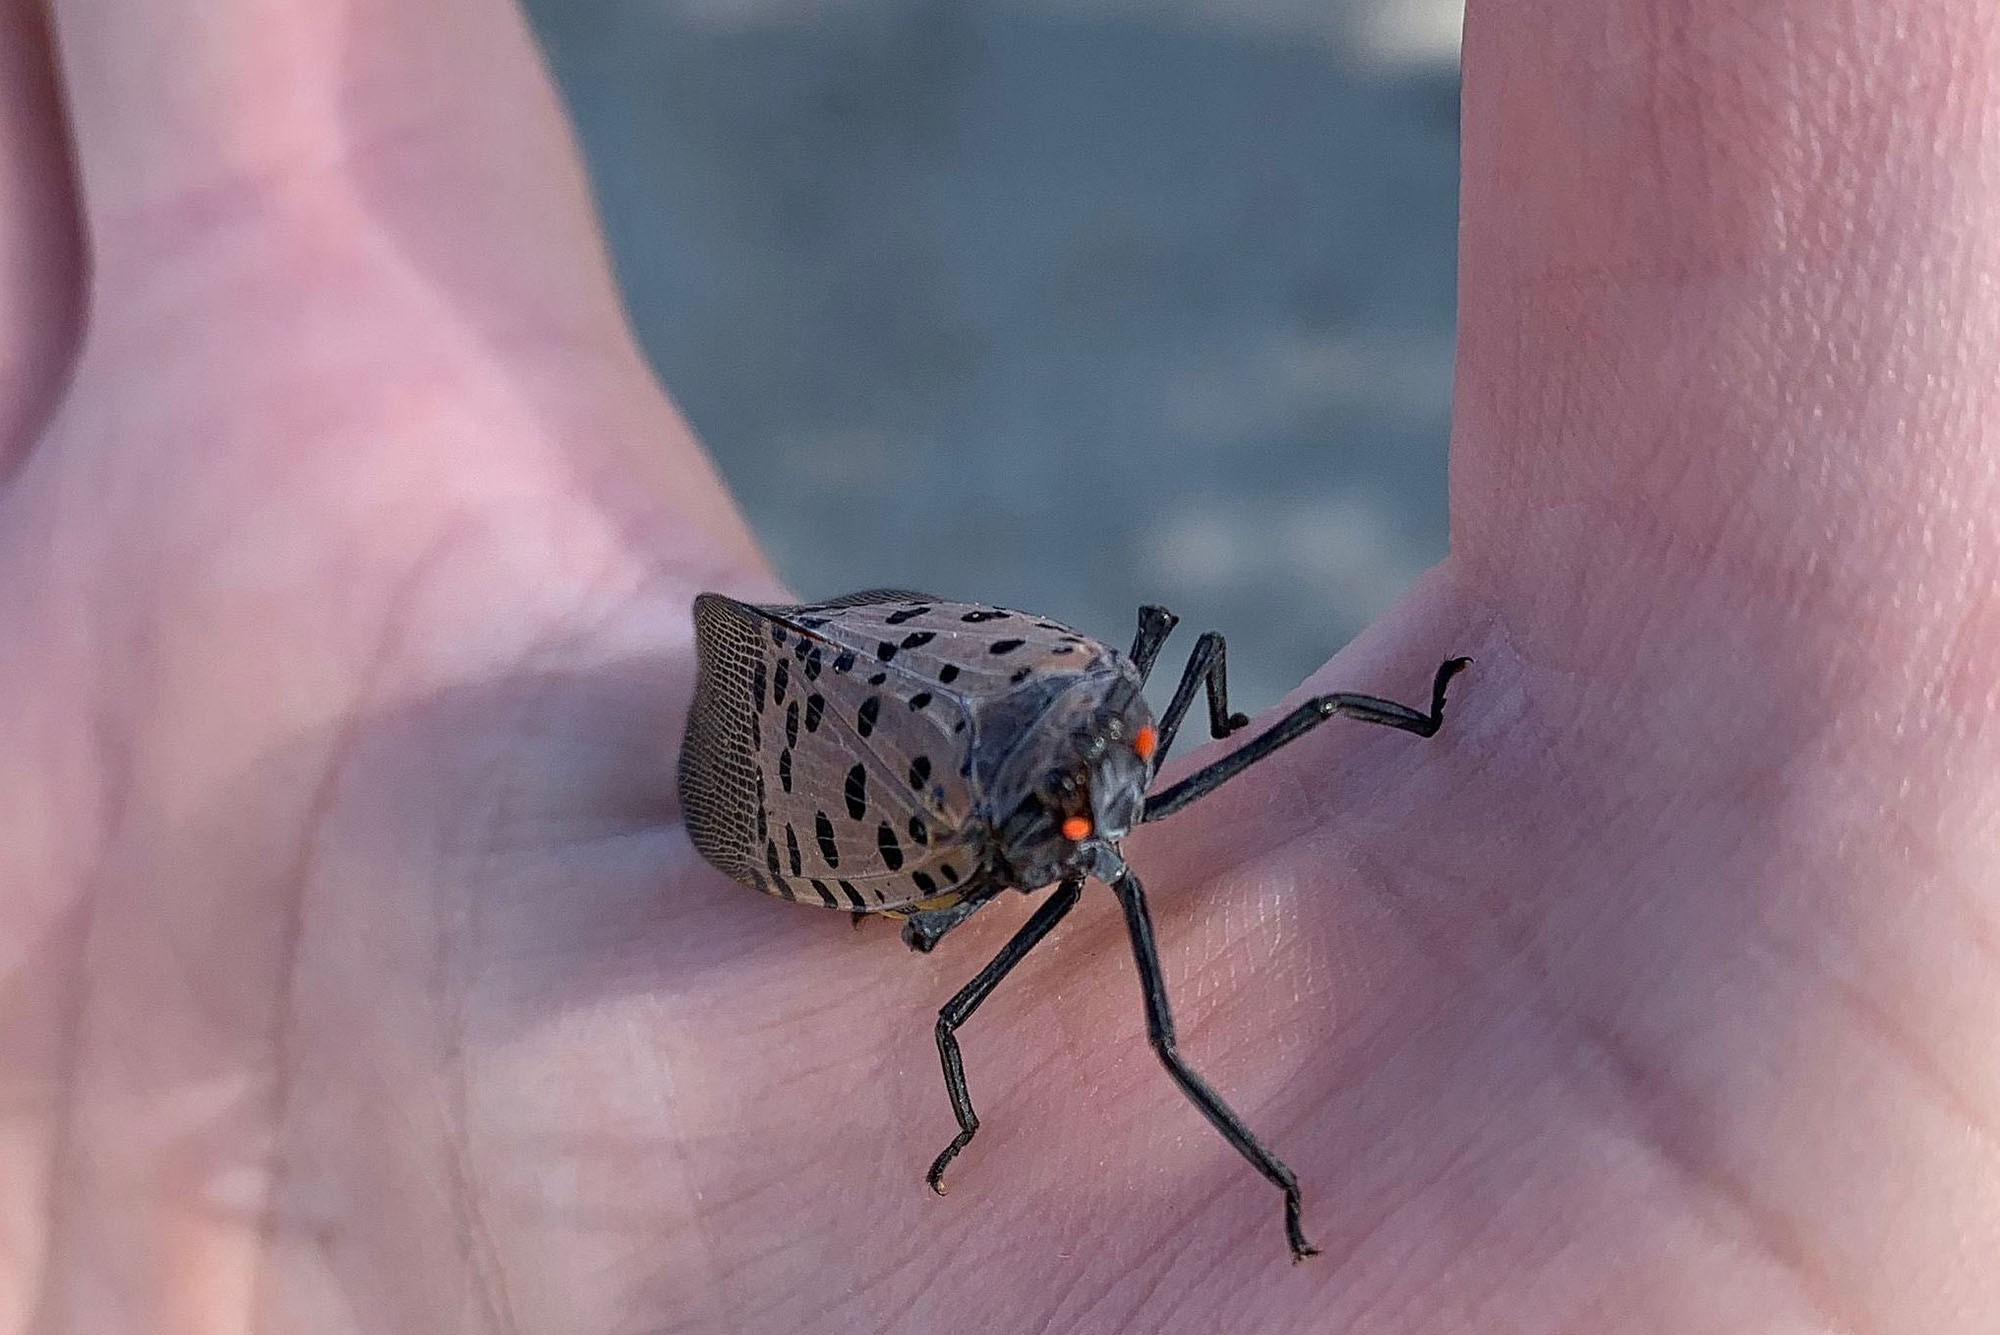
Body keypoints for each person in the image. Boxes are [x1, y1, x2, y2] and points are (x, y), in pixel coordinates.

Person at [2, 0, 1991, 1329]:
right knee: (1038, 977)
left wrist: (1243, 744)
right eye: (1096, 815)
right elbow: (980, 1025)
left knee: (1224, 707)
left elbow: (1207, 701)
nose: (1123, 827)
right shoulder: (1030, 844)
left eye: (1124, 785)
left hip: (967, 708)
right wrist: (1039, 871)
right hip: (857, 798)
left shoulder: (1122, 759)